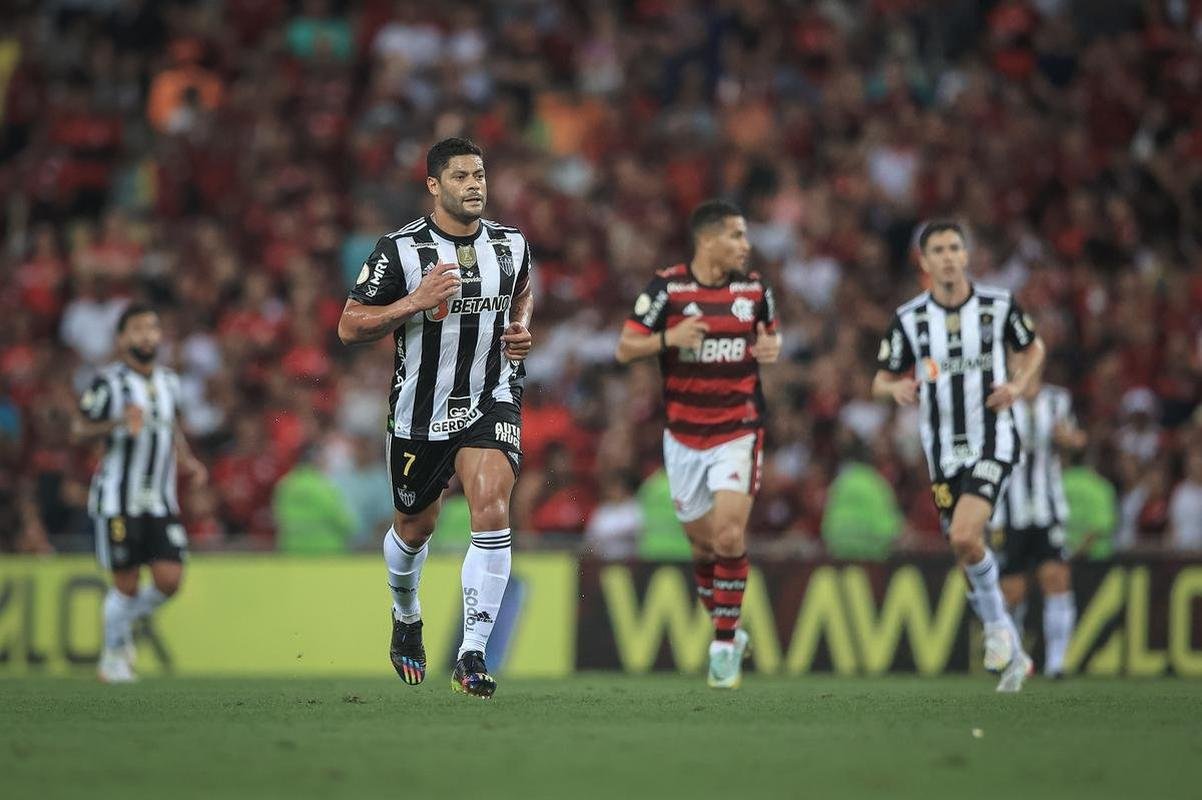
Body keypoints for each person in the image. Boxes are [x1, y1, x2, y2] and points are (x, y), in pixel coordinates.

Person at [337, 137, 533, 699]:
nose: (475, 185)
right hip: (420, 413)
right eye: (462, 177)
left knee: (492, 505)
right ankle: (406, 615)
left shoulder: (512, 243)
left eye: (480, 175)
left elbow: (522, 294)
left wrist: (522, 330)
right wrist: (413, 302)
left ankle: (472, 654)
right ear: (434, 185)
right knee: (414, 527)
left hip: (490, 397)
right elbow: (349, 326)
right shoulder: (400, 250)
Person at [872, 220, 1045, 692]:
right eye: (938, 250)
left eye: (954, 248)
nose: (948, 257)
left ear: (966, 256)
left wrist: (1017, 386)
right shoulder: (909, 319)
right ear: (923, 262)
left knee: (968, 535)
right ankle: (1012, 647)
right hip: (943, 453)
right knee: (964, 549)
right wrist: (896, 387)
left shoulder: (998, 305)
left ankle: (995, 632)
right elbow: (880, 377)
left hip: (994, 440)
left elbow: (1033, 349)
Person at [615, 199, 781, 689]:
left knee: (730, 536)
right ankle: (729, 624)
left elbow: (770, 340)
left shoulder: (755, 291)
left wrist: (774, 347)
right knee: (704, 548)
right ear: (708, 240)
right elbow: (625, 347)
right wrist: (670, 339)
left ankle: (724, 647)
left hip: (738, 428)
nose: (745, 245)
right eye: (736, 236)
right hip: (683, 437)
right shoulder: (667, 288)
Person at [71, 303, 207, 683]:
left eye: (152, 327)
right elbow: (78, 430)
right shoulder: (108, 382)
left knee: (170, 581)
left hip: (160, 500)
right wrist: (117, 423)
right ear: (122, 338)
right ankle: (112, 658)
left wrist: (189, 460)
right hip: (118, 500)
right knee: (126, 584)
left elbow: (171, 428)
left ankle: (119, 628)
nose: (147, 335)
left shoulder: (169, 382)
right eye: (138, 329)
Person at [990, 379, 1085, 678]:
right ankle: (1013, 657)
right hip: (1010, 509)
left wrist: (1068, 439)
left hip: (1048, 506)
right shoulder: (996, 397)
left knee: (1055, 577)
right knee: (1013, 591)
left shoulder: (1059, 399)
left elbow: (1078, 440)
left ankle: (1057, 663)